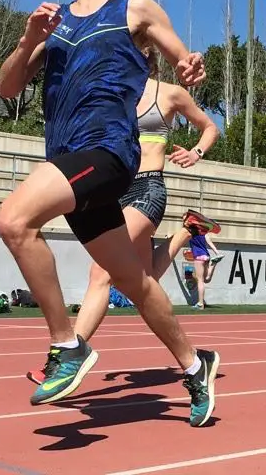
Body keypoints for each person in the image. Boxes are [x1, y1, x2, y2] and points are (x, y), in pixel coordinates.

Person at [0, 0, 219, 428]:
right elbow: (8, 88)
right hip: (66, 157)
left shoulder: (132, 6)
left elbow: (185, 59)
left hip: (109, 154)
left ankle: (65, 345)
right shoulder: (55, 19)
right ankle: (194, 365)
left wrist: (190, 65)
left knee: (13, 220)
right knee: (133, 281)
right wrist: (29, 39)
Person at [24, 54, 222, 383]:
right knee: (139, 282)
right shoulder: (112, 93)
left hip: (148, 188)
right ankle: (187, 230)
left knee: (102, 270)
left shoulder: (170, 93)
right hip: (114, 190)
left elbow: (210, 127)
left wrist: (196, 152)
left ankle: (68, 355)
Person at [186, 228, 223, 309]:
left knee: (200, 281)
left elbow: (178, 239)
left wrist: (169, 238)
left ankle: (200, 304)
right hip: (206, 256)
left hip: (199, 257)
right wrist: (217, 253)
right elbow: (210, 243)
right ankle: (213, 263)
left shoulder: (190, 233)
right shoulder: (204, 233)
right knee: (206, 279)